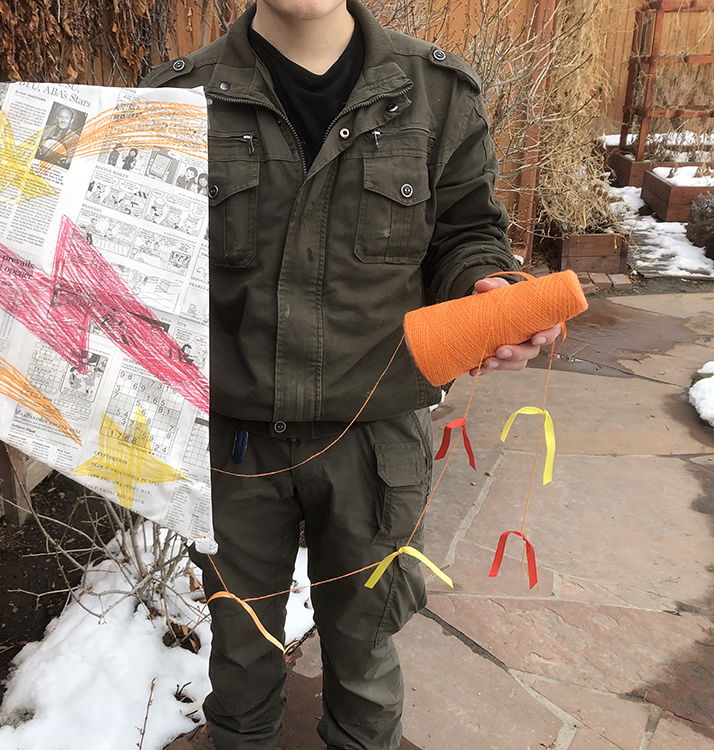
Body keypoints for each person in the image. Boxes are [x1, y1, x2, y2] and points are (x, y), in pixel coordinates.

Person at [142, 2, 560, 750]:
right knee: (240, 661)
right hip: (234, 450)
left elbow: (467, 234)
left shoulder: (436, 92)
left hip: (376, 446)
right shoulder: (176, 97)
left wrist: (487, 285)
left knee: (366, 656)